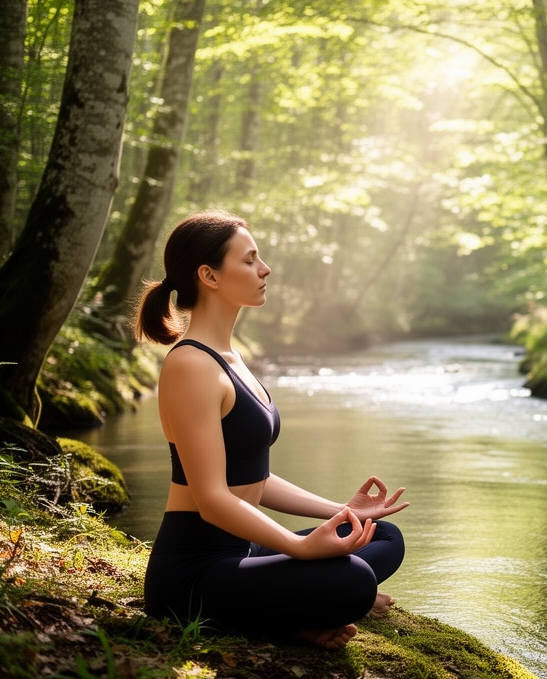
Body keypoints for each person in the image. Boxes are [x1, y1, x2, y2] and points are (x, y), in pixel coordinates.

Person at [136, 209, 408, 649]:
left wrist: (343, 511)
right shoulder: (190, 365)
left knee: (383, 536)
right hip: (192, 571)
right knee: (354, 580)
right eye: (249, 260)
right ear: (209, 275)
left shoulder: (231, 358)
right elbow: (211, 499)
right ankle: (296, 618)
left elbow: (255, 480)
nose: (265, 269)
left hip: (244, 552)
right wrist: (298, 548)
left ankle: (296, 610)